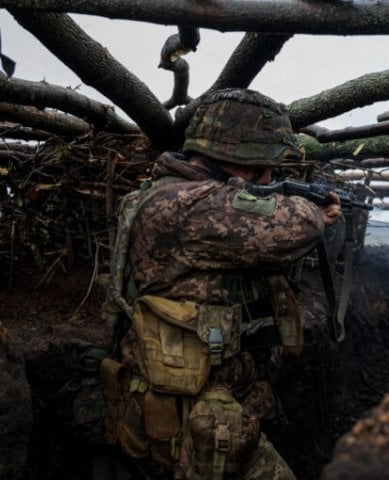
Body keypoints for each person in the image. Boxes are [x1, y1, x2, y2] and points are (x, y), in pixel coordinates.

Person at [101, 88, 341, 480]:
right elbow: (295, 225)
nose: (271, 179)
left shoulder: (176, 196)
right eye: (267, 170)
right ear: (240, 164)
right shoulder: (187, 205)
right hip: (190, 416)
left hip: (209, 396)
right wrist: (314, 210)